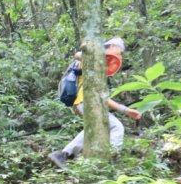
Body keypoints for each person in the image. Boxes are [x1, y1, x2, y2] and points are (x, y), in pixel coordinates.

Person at [48, 38, 141, 168]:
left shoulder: (99, 69)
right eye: (120, 52)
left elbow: (103, 97)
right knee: (116, 127)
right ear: (112, 46)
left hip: (83, 103)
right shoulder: (95, 60)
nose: (121, 56)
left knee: (94, 129)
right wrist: (126, 110)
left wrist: (126, 110)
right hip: (86, 102)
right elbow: (78, 55)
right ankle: (110, 159)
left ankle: (64, 154)